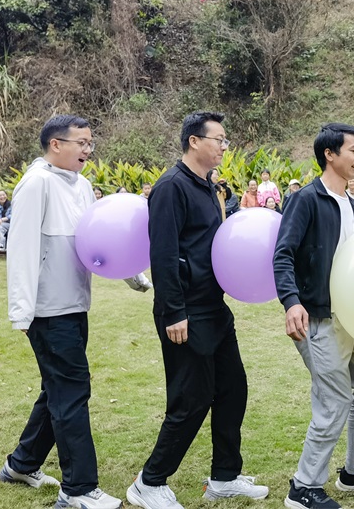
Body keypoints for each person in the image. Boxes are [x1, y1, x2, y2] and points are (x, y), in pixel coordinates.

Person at [127, 111, 267, 509]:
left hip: (214, 306)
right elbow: (164, 253)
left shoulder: (208, 185)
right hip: (185, 310)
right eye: (219, 139)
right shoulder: (172, 187)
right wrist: (173, 311)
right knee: (191, 399)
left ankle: (224, 476)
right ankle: (149, 482)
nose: (224, 146)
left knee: (232, 390)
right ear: (194, 141)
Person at [0, 114, 129, 509]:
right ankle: (77, 490)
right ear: (56, 144)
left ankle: (21, 464)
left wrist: (132, 275)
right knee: (72, 390)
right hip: (47, 311)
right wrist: (22, 312)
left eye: (91, 143)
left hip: (75, 304)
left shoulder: (83, 185)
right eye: (82, 143)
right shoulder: (36, 184)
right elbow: (19, 249)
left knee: (56, 389)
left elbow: (98, 241)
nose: (88, 150)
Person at [274, 123, 354, 509]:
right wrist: (292, 301)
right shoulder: (307, 199)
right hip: (319, 317)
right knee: (333, 400)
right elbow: (283, 254)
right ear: (330, 154)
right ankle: (304, 486)